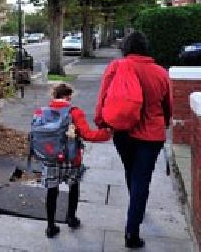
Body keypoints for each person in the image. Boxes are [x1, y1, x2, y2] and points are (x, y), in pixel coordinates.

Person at [94, 31, 172, 248]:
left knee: (131, 171)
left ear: (126, 48)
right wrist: (164, 122)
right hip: (151, 135)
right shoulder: (160, 73)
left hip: (122, 132)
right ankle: (132, 231)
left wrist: (101, 121)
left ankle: (136, 205)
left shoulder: (116, 67)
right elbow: (168, 106)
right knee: (142, 178)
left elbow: (103, 97)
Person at [41, 83, 112, 238]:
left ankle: (50, 226)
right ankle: (71, 218)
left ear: (54, 96)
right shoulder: (74, 112)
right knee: (74, 187)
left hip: (51, 158)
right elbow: (87, 135)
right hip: (71, 159)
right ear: (68, 96)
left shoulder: (44, 112)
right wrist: (107, 134)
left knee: (52, 191)